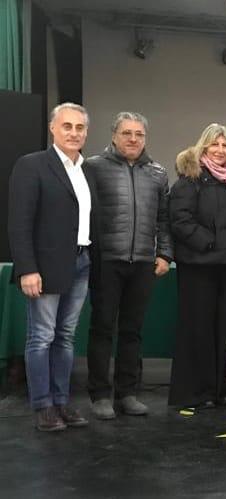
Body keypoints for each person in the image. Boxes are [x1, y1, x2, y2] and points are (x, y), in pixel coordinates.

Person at [8, 103, 94, 431]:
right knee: (41, 336)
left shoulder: (87, 170)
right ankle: (43, 406)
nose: (74, 133)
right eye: (67, 126)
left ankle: (61, 401)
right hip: (44, 266)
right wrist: (27, 268)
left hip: (81, 262)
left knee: (66, 336)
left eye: (79, 127)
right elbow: (19, 222)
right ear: (52, 128)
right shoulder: (32, 165)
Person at [84, 111, 172, 420]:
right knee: (102, 329)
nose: (133, 139)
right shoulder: (93, 167)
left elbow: (164, 219)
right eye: (126, 133)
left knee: (133, 331)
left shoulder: (158, 173)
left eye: (139, 134)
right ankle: (99, 395)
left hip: (143, 263)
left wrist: (165, 254)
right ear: (114, 136)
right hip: (106, 260)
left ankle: (127, 394)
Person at [168, 123, 226, 409]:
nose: (220, 150)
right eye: (215, 144)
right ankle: (197, 393)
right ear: (204, 146)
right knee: (198, 330)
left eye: (225, 145)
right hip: (198, 267)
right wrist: (209, 243)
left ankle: (223, 390)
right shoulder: (190, 179)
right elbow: (180, 220)